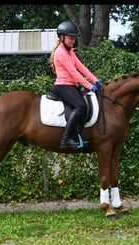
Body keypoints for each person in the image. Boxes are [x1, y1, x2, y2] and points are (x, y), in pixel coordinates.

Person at [49, 20, 103, 149]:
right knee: (81, 106)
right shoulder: (60, 52)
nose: (73, 41)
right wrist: (90, 86)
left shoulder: (70, 51)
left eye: (74, 39)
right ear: (62, 38)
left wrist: (96, 80)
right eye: (70, 38)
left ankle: (80, 134)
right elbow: (73, 72)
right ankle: (66, 139)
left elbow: (81, 67)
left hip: (71, 85)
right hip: (63, 86)